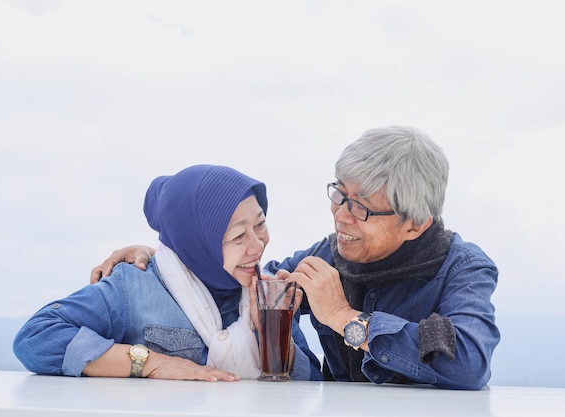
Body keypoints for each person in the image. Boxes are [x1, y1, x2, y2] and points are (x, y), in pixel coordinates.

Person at [91, 126, 500, 390]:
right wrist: (168, 255)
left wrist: (344, 317)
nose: (340, 216)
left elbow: (467, 362)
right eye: (339, 194)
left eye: (361, 208)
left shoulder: (460, 269)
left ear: (415, 224)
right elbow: (252, 283)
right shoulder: (328, 254)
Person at [14, 164, 322, 382]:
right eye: (238, 236)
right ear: (195, 243)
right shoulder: (134, 285)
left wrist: (272, 339)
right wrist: (151, 364)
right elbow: (36, 339)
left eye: (260, 224)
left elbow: (310, 382)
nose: (257, 245)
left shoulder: (269, 291)